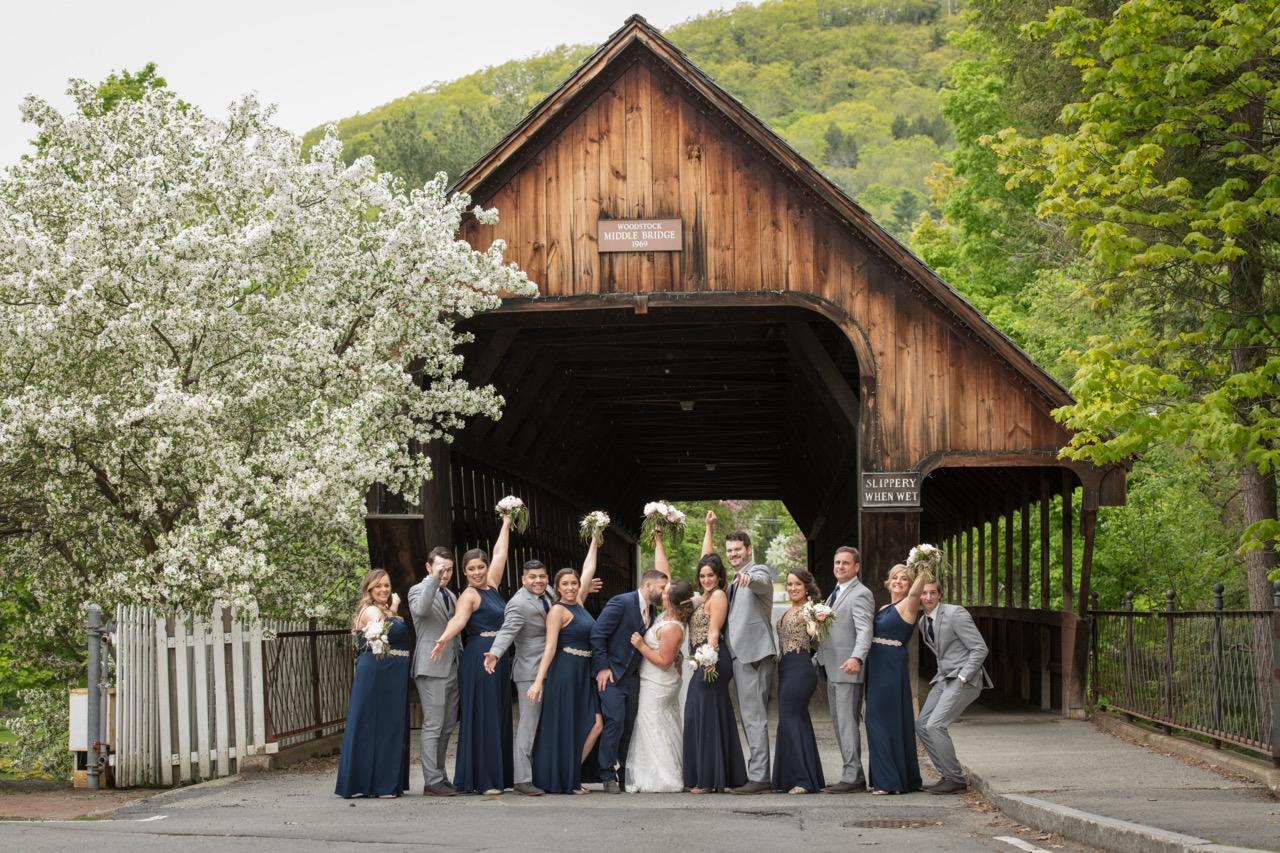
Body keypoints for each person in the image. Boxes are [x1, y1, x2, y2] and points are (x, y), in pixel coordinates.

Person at [431, 515, 514, 795]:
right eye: (471, 569)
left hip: (498, 656)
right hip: (480, 658)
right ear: (464, 573)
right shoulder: (468, 595)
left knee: (499, 713)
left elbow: (501, 552)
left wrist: (505, 522)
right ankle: (483, 779)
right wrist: (444, 637)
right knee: (484, 716)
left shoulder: (491, 584)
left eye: (481, 567)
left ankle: (499, 776)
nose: (477, 572)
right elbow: (460, 620)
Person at [705, 512, 777, 795]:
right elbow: (708, 564)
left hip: (754, 654)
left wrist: (747, 577)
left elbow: (760, 581)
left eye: (738, 550)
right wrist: (709, 528)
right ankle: (757, 772)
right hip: (738, 656)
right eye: (730, 551)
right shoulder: (731, 580)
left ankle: (760, 777)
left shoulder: (756, 573)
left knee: (754, 715)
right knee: (748, 715)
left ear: (749, 550)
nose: (734, 555)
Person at [525, 543, 603, 795]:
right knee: (569, 725)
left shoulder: (579, 603)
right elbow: (549, 647)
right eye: (565, 584)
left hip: (584, 672)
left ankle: (570, 773)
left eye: (574, 583)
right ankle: (569, 778)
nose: (570, 587)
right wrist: (538, 681)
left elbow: (588, 568)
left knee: (595, 723)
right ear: (557, 588)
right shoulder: (557, 610)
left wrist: (594, 537)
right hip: (565, 672)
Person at [589, 568, 668, 793]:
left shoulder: (652, 611)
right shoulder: (621, 603)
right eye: (661, 588)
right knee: (615, 721)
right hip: (611, 675)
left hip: (633, 678)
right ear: (648, 585)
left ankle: (625, 773)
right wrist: (602, 667)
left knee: (629, 727)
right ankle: (606, 774)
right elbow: (597, 634)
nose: (664, 593)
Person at [683, 517, 747, 793]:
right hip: (703, 659)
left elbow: (713, 632)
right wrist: (708, 529)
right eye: (702, 576)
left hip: (712, 660)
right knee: (703, 714)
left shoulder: (719, 596)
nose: (706, 579)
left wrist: (707, 661)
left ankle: (709, 780)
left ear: (719, 576)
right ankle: (718, 774)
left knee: (704, 715)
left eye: (711, 575)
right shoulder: (704, 596)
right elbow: (705, 558)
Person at [626, 535, 694, 793]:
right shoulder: (667, 615)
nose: (661, 591)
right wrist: (658, 542)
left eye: (665, 592)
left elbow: (665, 662)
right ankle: (653, 773)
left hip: (659, 681)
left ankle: (664, 776)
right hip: (655, 681)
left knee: (653, 724)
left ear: (671, 600)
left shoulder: (672, 628)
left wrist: (641, 647)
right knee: (657, 724)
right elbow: (664, 573)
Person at [335, 569, 410, 798]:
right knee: (375, 725)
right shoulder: (370, 610)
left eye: (387, 585)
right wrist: (395, 609)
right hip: (378, 673)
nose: (384, 590)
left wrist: (393, 609)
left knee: (390, 725)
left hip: (392, 674)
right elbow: (382, 630)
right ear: (369, 588)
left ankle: (385, 781)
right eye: (378, 586)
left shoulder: (384, 609)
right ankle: (376, 784)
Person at [916, 576, 992, 794]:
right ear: (918, 595)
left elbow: (979, 648)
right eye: (924, 593)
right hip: (944, 678)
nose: (928, 597)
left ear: (940, 594)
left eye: (932, 592)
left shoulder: (955, 613)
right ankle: (947, 775)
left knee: (935, 725)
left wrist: (963, 676)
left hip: (963, 679)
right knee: (921, 725)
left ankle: (956, 778)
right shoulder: (923, 622)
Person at [864, 563, 931, 795]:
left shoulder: (908, 604)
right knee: (884, 721)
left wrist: (925, 567)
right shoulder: (885, 606)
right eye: (895, 578)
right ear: (888, 581)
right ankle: (897, 778)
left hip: (891, 666)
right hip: (876, 665)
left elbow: (915, 592)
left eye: (904, 579)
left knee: (878, 721)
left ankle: (887, 781)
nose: (899, 582)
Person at [815, 545, 875, 794]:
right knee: (839, 724)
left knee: (847, 723)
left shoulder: (861, 594)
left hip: (847, 668)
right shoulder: (836, 593)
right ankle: (853, 772)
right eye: (837, 562)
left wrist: (857, 658)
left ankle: (852, 778)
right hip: (831, 667)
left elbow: (864, 630)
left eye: (845, 563)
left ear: (857, 567)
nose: (840, 566)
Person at [408, 547, 460, 797]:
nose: (445, 573)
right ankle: (431, 780)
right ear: (429, 567)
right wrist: (433, 580)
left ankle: (441, 775)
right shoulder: (419, 590)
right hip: (431, 667)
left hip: (451, 666)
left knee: (448, 725)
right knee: (433, 725)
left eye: (449, 569)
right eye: (441, 568)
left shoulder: (450, 594)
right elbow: (421, 609)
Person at [771, 569, 825, 794]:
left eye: (797, 585)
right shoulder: (789, 610)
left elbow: (815, 635)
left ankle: (803, 780)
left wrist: (814, 624)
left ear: (806, 587)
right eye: (790, 584)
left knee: (791, 719)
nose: (793, 588)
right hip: (785, 668)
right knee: (794, 720)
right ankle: (794, 777)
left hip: (801, 669)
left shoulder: (809, 609)